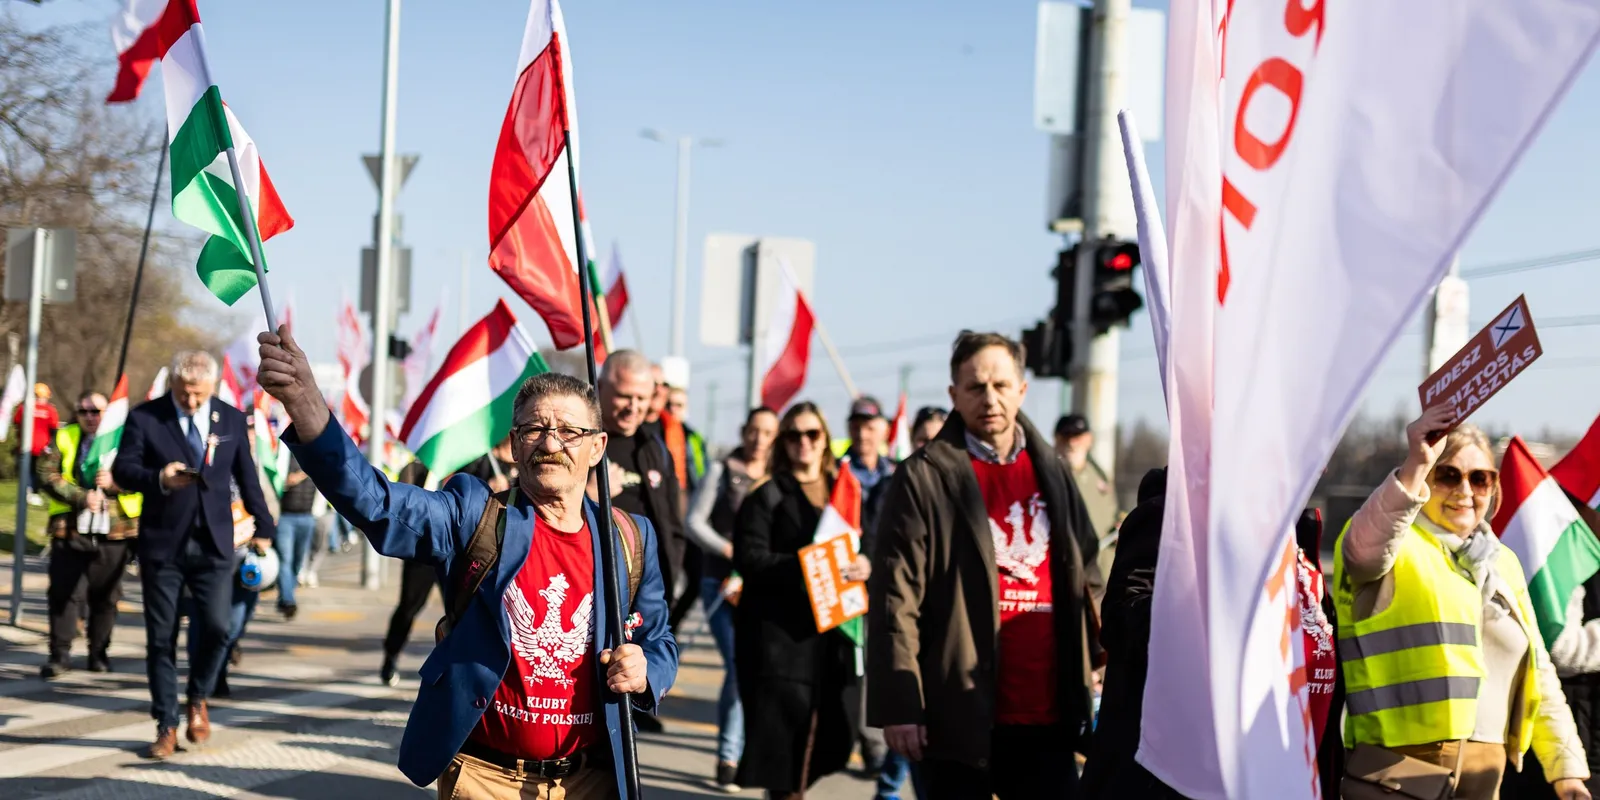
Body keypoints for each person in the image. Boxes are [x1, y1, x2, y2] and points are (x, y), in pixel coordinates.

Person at [258, 326, 678, 798]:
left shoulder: (628, 538)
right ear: (515, 445)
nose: (550, 442)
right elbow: (374, 501)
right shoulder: (473, 515)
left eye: (569, 431)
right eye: (534, 429)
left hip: (590, 779)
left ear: (597, 447)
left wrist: (646, 672)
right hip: (485, 779)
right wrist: (307, 405)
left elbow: (658, 638)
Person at [868, 330, 1101, 800]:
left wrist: (1096, 649)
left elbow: (1088, 569)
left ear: (1022, 389)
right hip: (957, 715)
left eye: (1000, 385)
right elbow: (897, 598)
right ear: (954, 395)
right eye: (975, 387)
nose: (989, 398)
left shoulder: (1053, 471)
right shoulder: (924, 477)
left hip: (1048, 711)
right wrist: (901, 705)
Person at [1335, 404, 1590, 800]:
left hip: (1484, 773)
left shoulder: (1503, 562)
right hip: (1397, 772)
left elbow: (1539, 672)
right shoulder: (1394, 543)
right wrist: (1416, 463)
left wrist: (1567, 771)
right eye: (1448, 475)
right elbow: (1363, 551)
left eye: (1481, 479)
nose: (1465, 491)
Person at [1080, 469, 1344, 800]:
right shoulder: (1171, 514)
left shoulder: (1296, 535)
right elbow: (1125, 622)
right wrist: (1218, 601)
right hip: (1182, 780)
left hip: (1283, 775)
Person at [112, 351, 276, 759]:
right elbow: (122, 471)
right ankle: (166, 725)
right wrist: (158, 478)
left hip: (215, 543)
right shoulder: (146, 417)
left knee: (219, 627)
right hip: (163, 544)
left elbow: (247, 477)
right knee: (161, 638)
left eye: (198, 395)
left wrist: (266, 526)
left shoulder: (231, 419)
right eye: (184, 393)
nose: (190, 401)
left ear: (213, 388)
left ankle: (198, 696)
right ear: (172, 384)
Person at [733, 401, 871, 798]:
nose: (804, 442)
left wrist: (866, 564)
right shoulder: (767, 494)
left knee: (835, 733)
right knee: (785, 753)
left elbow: (869, 543)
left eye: (812, 433)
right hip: (781, 642)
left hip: (835, 634)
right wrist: (813, 566)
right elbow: (750, 558)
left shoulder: (845, 492)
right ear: (783, 442)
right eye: (793, 435)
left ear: (826, 439)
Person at [685, 405, 778, 792]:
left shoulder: (778, 477)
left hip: (762, 586)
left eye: (768, 432)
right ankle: (728, 757)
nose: (759, 439)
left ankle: (742, 750)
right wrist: (728, 550)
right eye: (753, 430)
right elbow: (694, 522)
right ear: (743, 431)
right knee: (739, 663)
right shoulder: (722, 470)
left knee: (751, 666)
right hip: (720, 584)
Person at [37, 390, 141, 678]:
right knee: (65, 594)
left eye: (97, 411)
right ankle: (60, 654)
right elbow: (46, 473)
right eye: (85, 412)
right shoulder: (65, 436)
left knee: (106, 596)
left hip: (116, 532)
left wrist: (116, 483)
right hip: (70, 529)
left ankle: (99, 652)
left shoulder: (126, 438)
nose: (91, 417)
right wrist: (81, 496)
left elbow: (144, 476)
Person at [597, 351, 685, 633]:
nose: (633, 407)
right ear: (600, 388)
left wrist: (671, 566)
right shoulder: (579, 442)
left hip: (647, 593)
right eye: (624, 396)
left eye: (641, 398)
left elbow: (672, 520)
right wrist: (589, 497)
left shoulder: (655, 448)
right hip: (598, 587)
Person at [379, 458, 438, 686]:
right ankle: (391, 656)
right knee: (409, 607)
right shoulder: (416, 468)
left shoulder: (476, 465)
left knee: (463, 613)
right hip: (424, 551)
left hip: (462, 552)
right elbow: (400, 503)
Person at [1055, 413, 1119, 601]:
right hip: (1065, 577)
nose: (1072, 443)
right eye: (1066, 437)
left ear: (1089, 439)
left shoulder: (1100, 476)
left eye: (1078, 437)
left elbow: (1111, 516)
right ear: (1056, 439)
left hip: (1100, 579)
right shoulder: (1050, 476)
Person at [274, 453, 318, 619]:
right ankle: (288, 600)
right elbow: (275, 480)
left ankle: (284, 596)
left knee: (297, 562)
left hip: (307, 516)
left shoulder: (314, 458)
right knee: (285, 559)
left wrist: (303, 473)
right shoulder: (283, 457)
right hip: (286, 516)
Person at [844, 396, 895, 537]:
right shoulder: (836, 472)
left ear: (885, 431)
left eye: (869, 428)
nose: (862, 435)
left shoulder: (895, 471)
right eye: (856, 428)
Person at [15, 382, 61, 503]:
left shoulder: (23, 408)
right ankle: (34, 492)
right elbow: (54, 429)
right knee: (39, 471)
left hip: (25, 445)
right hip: (43, 446)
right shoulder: (50, 410)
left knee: (27, 470)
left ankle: (27, 491)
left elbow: (17, 423)